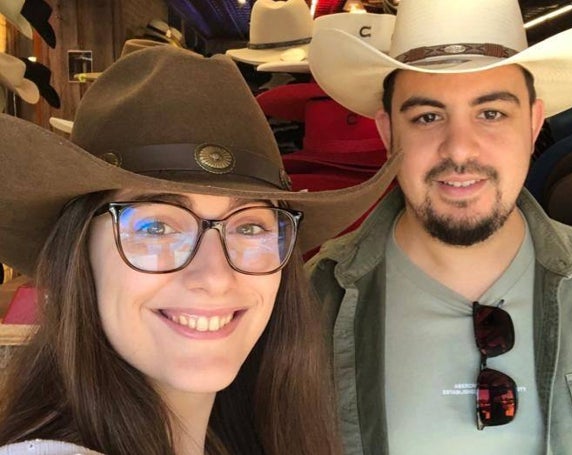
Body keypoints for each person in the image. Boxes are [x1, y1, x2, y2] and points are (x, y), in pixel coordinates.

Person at [0, 46, 399, 454]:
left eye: (248, 226)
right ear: (78, 252)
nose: (214, 277)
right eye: (156, 227)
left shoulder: (250, 435)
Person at [305, 0, 572, 454]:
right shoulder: (310, 306)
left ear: (533, 124)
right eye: (428, 117)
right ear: (388, 134)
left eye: (491, 113)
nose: (460, 148)